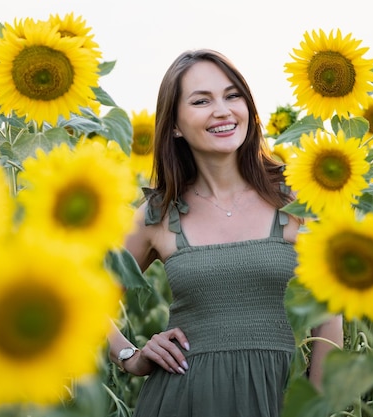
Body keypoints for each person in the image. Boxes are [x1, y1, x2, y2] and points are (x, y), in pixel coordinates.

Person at [107, 49, 343, 416]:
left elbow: (331, 314)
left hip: (277, 399)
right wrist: (130, 356)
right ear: (173, 124)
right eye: (202, 100)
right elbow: (86, 298)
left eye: (232, 96)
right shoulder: (158, 213)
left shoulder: (297, 199)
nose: (222, 110)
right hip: (180, 400)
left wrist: (315, 408)